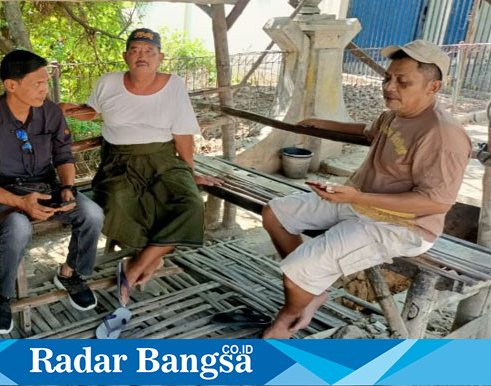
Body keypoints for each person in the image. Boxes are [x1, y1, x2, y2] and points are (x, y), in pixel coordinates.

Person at [261, 40, 472, 339]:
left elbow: (436, 203)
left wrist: (357, 197)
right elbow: (366, 130)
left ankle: (289, 315)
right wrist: (322, 123)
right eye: (388, 77)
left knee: (296, 273)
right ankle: (311, 288)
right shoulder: (396, 113)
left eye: (403, 81)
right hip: (360, 203)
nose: (389, 86)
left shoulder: (443, 135)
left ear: (433, 87)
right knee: (275, 214)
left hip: (403, 226)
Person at [61, 28, 220, 306]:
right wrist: (73, 110)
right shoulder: (108, 82)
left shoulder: (174, 86)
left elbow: (182, 133)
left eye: (149, 51)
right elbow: (94, 110)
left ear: (160, 57)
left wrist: (190, 172)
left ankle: (134, 268)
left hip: (163, 160)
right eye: (134, 50)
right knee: (118, 204)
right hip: (118, 162)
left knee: (190, 203)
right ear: (125, 56)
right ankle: (152, 259)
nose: (141, 56)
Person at [0, 49, 104, 335]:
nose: (44, 89)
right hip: (2, 193)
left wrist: (69, 188)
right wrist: (19, 202)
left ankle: (72, 273)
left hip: (45, 186)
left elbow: (63, 155)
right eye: (37, 83)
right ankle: (1, 293)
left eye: (46, 82)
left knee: (92, 214)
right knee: (18, 227)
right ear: (11, 85)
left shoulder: (48, 112)